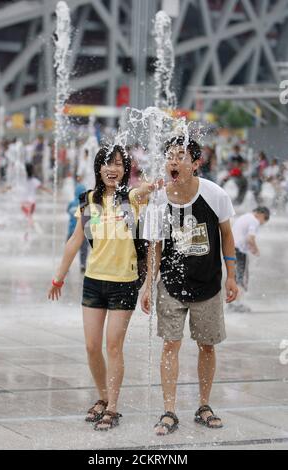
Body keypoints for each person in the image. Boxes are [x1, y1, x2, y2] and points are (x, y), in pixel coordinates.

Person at [48, 145, 160, 431]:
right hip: (94, 281)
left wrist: (150, 185)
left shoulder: (131, 198)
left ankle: (113, 406)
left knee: (113, 346)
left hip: (123, 283)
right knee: (90, 346)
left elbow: (141, 191)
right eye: (107, 163)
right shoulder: (88, 201)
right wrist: (58, 278)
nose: (113, 169)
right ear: (98, 168)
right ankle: (102, 396)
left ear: (125, 170)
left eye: (119, 164)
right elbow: (75, 241)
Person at [141, 136, 238, 435]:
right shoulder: (158, 200)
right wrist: (148, 283)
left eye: (181, 156)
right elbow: (154, 245)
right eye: (170, 155)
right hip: (171, 285)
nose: (173, 161)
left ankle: (204, 405)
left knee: (206, 345)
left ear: (195, 164)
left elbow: (227, 235)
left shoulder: (215, 194)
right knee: (170, 344)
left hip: (208, 284)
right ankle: (169, 410)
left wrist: (231, 275)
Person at [230, 206, 270, 313]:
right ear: (261, 215)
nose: (262, 223)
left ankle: (232, 302)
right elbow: (250, 238)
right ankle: (237, 304)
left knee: (233, 276)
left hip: (231, 249)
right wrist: (256, 250)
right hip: (239, 251)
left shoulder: (245, 216)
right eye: (264, 220)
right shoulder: (254, 221)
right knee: (241, 278)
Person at [20, 163, 51, 239]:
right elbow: (42, 187)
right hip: (32, 203)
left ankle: (29, 232)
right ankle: (29, 231)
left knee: (28, 217)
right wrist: (51, 192)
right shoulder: (34, 181)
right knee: (29, 217)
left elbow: (12, 186)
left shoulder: (22, 180)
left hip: (24, 203)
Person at [67, 179, 89, 272]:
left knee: (69, 249)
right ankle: (82, 264)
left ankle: (67, 265)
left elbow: (67, 211)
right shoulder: (86, 204)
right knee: (83, 250)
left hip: (71, 231)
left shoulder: (71, 203)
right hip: (83, 232)